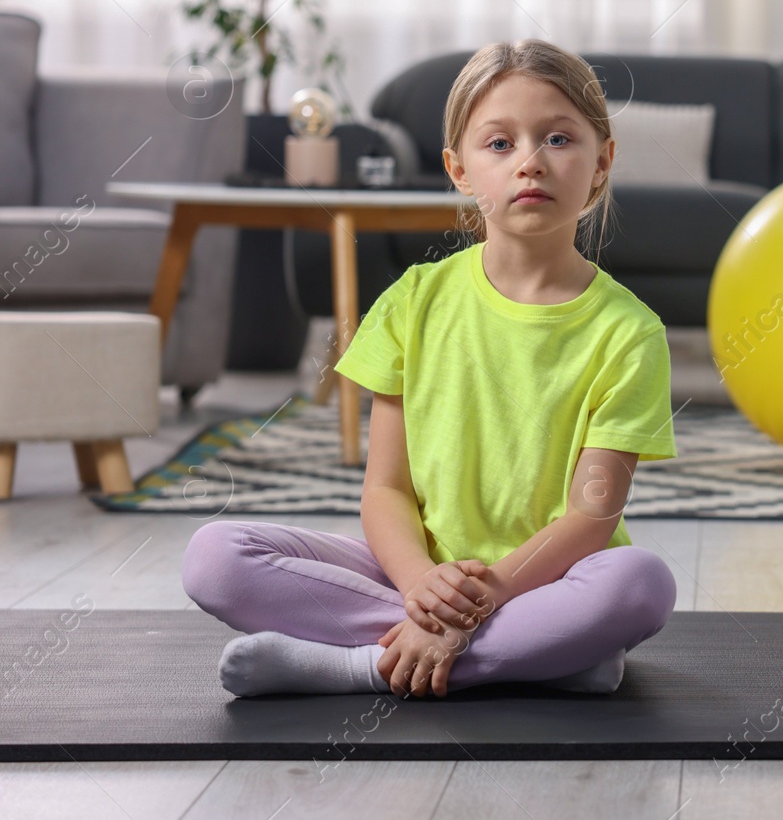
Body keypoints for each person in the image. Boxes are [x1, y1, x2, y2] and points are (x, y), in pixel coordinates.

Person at [182, 38, 679, 698]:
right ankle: (542, 655)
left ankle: (355, 667)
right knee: (215, 558)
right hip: (416, 572)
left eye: (558, 139)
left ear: (601, 162)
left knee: (641, 583)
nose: (530, 161)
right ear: (459, 169)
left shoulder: (631, 333)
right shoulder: (413, 302)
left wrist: (485, 594)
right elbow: (386, 490)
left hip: (553, 580)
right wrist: (422, 587)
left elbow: (591, 519)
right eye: (499, 144)